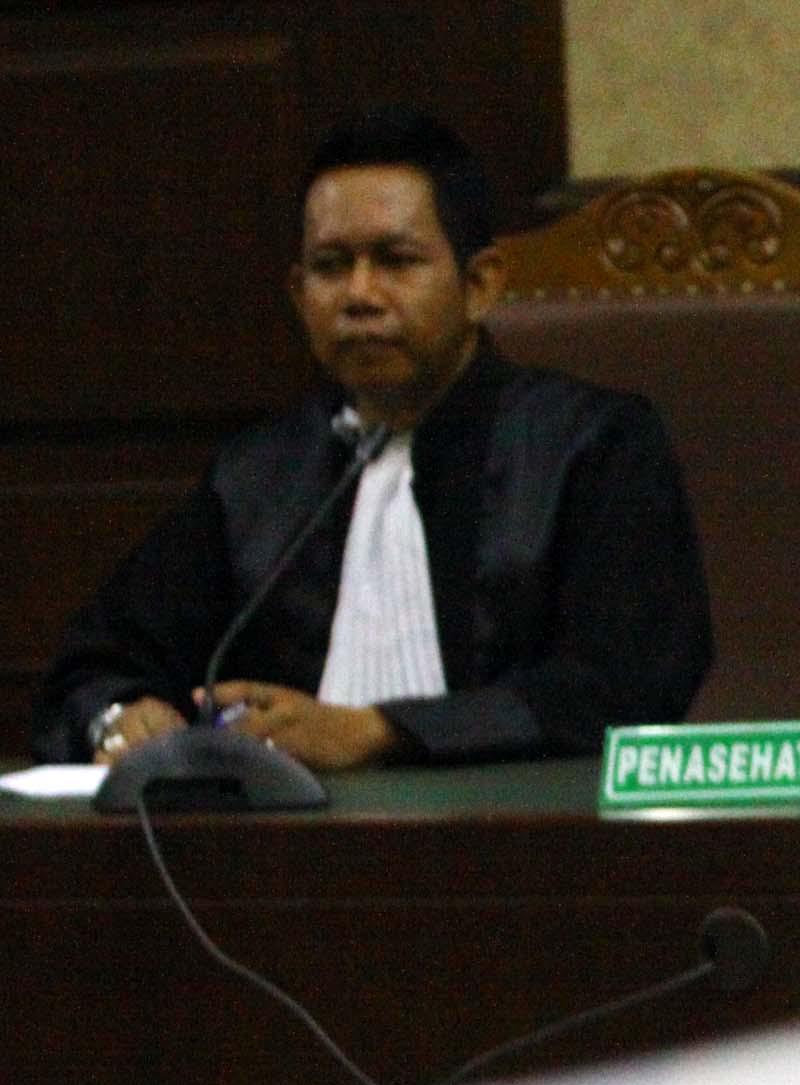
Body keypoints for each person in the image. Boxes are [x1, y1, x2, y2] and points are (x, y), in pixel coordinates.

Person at [32, 106, 711, 768]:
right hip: (289, 835)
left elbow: (626, 682)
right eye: (330, 266)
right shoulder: (259, 475)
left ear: (480, 284)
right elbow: (95, 663)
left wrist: (380, 733)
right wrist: (121, 714)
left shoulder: (593, 447)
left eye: (396, 260)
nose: (359, 294)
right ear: (299, 295)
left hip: (523, 827)